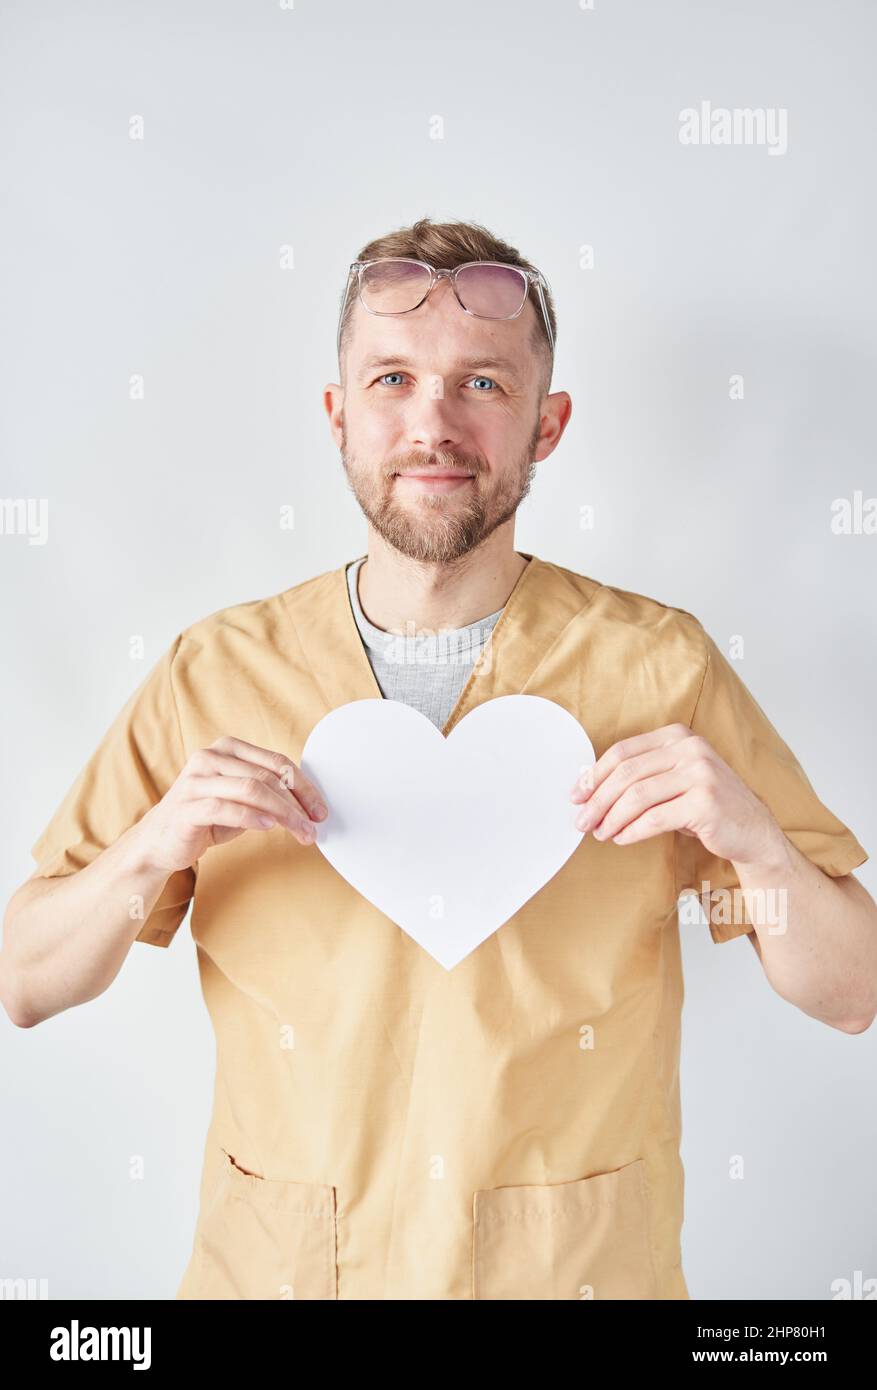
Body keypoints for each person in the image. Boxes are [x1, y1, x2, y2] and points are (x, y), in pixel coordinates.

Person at [2, 217, 875, 1302]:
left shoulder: (659, 667)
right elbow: (25, 980)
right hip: (280, 1278)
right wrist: (148, 849)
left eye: (483, 385)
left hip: (574, 1278)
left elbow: (852, 992)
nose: (433, 423)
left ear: (546, 425)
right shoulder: (213, 673)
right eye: (391, 379)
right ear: (337, 415)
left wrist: (757, 847)